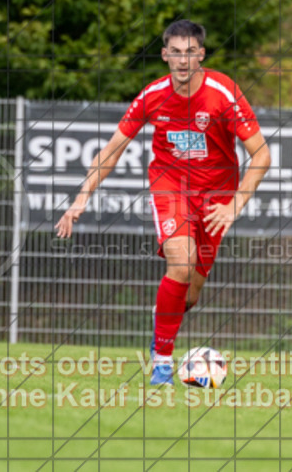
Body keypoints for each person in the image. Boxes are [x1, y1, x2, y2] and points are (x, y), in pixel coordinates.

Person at [56, 19, 270, 385]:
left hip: (217, 196)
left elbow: (261, 155)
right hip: (171, 187)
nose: (183, 60)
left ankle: (164, 321)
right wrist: (81, 198)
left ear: (201, 55)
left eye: (190, 52)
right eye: (176, 52)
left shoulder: (223, 93)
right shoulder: (152, 95)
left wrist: (235, 205)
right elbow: (111, 151)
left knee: (191, 292)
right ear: (164, 55)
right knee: (181, 264)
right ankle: (162, 364)